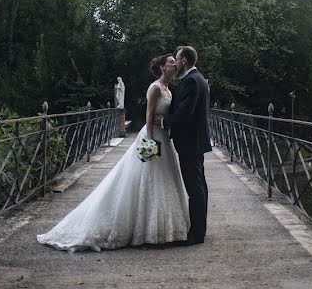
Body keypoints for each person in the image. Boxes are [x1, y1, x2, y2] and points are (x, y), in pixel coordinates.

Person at [37, 54, 190, 251]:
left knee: (162, 181)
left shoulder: (169, 90)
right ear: (162, 67)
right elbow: (149, 116)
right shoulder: (155, 88)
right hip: (151, 137)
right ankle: (145, 231)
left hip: (164, 139)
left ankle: (162, 229)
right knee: (146, 179)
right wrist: (150, 143)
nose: (174, 65)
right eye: (170, 62)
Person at [160, 45, 211, 245]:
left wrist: (165, 122)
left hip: (190, 141)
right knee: (200, 185)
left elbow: (184, 112)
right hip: (196, 140)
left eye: (178, 58)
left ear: (184, 61)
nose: (176, 62)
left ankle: (197, 234)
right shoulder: (198, 79)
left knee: (195, 187)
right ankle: (200, 229)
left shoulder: (191, 80)